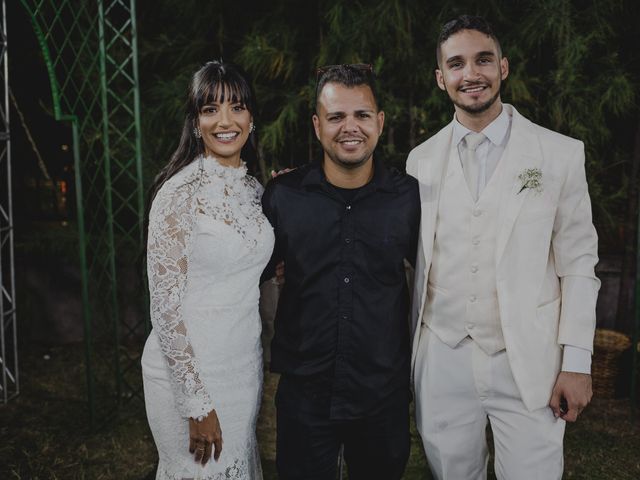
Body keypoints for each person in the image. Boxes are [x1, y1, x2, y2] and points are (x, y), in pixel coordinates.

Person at [407, 15, 600, 479]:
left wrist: (576, 362)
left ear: (504, 68)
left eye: (483, 60)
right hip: (442, 355)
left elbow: (578, 263)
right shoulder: (419, 162)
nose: (471, 73)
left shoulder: (558, 154)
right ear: (441, 78)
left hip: (528, 360)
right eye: (456, 63)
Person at [261, 64, 420, 480]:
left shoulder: (409, 197)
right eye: (336, 116)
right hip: (305, 392)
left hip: (381, 392)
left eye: (362, 115)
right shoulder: (283, 196)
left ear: (380, 122)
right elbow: (251, 274)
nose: (350, 127)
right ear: (317, 125)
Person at [142, 60, 273, 480]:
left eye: (237, 107)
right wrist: (195, 403)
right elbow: (165, 309)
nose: (225, 121)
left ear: (251, 118)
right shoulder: (177, 194)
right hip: (189, 375)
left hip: (242, 365)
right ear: (195, 121)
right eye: (210, 109)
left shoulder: (256, 191)